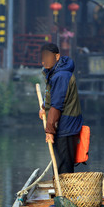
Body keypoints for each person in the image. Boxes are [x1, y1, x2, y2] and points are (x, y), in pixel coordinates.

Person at [38, 43, 83, 174]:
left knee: (63, 168)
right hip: (63, 126)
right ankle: (61, 192)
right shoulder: (54, 73)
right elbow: (53, 98)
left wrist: (50, 131)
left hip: (66, 127)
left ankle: (64, 194)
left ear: (57, 56)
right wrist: (44, 108)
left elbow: (57, 106)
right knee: (59, 165)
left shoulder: (61, 76)